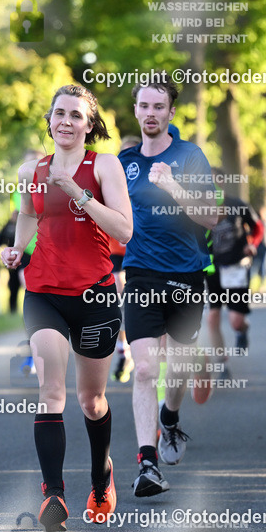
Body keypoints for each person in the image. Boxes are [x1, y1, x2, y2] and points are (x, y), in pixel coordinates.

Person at [0, 84, 132, 532]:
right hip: (44, 294)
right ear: (49, 120)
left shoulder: (105, 166)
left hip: (95, 295)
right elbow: (28, 215)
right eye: (59, 113)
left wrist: (77, 191)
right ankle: (53, 495)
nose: (66, 121)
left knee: (91, 400)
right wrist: (17, 250)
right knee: (51, 392)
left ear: (90, 124)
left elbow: (125, 230)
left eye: (76, 115)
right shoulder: (30, 170)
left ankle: (101, 477)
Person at [119, 74, 218, 497]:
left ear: (171, 112)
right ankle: (147, 463)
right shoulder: (123, 163)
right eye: (144, 106)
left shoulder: (190, 156)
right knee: (144, 368)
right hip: (140, 272)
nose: (151, 114)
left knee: (177, 371)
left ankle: (171, 418)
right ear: (136, 110)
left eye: (159, 107)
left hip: (186, 274)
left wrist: (173, 185)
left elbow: (211, 217)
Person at [203, 175, 263, 379]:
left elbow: (258, 227)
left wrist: (252, 244)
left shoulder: (237, 205)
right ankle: (221, 363)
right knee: (212, 317)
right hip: (211, 269)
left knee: (236, 320)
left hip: (236, 267)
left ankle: (242, 330)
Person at [110, 135, 141, 384]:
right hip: (115, 253)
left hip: (141, 253)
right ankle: (125, 353)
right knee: (119, 300)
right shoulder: (110, 182)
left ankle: (140, 351)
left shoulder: (146, 183)